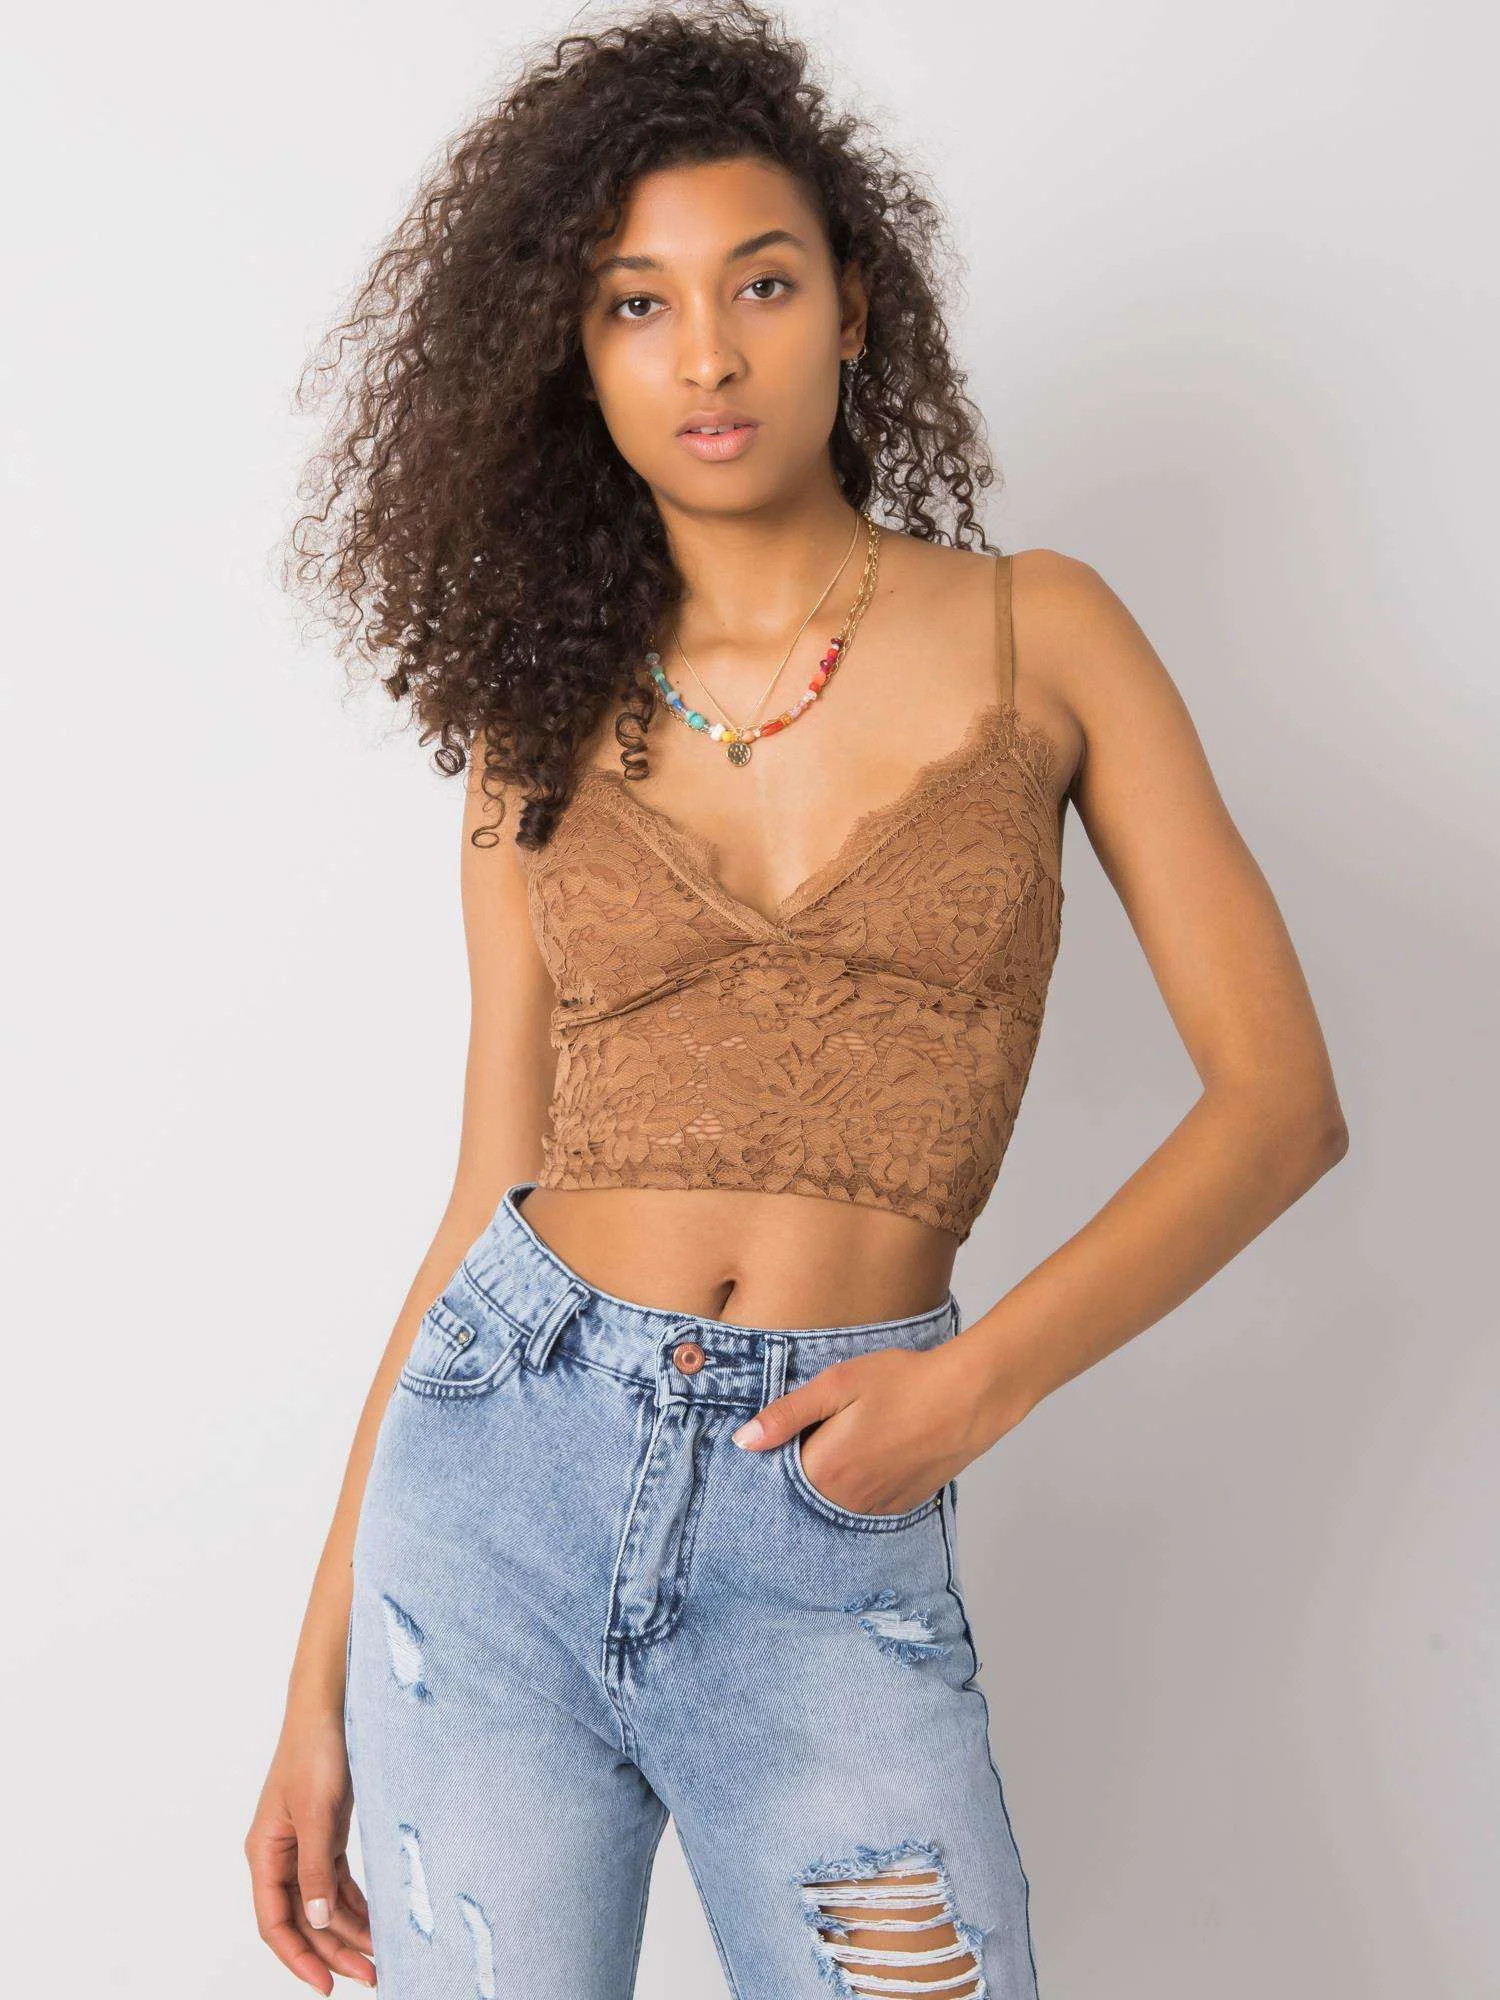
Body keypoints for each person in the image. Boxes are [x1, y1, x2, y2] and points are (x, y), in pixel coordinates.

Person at [246, 4, 1350, 1994]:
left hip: (826, 1519)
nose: (707, 353)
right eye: (635, 304)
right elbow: (485, 1188)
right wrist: (314, 1684)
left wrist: (972, 1386)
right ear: (575, 358)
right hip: (492, 1504)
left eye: (759, 282)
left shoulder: (1042, 634)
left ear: (856, 307)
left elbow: (1279, 1102)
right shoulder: (535, 721)